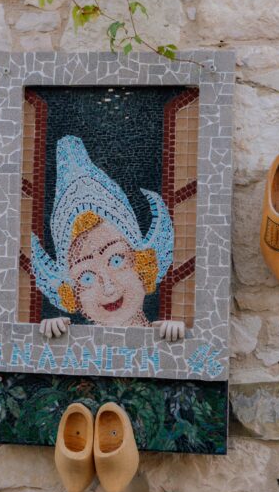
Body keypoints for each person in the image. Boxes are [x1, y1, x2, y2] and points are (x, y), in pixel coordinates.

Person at [31, 135, 184, 341]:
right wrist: (51, 330)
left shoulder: (161, 331)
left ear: (140, 263)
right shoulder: (80, 344)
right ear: (72, 292)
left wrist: (176, 333)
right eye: (86, 277)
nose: (108, 287)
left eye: (116, 260)